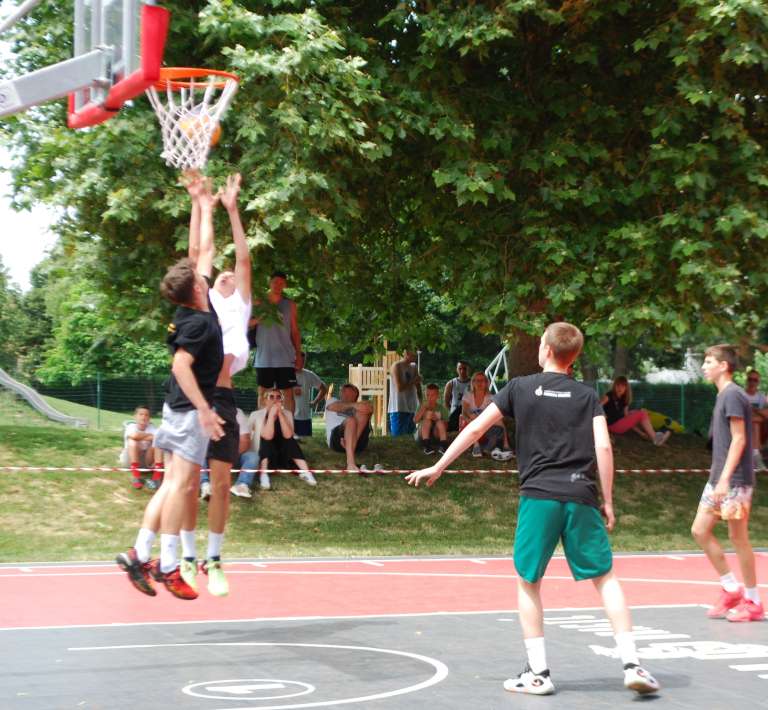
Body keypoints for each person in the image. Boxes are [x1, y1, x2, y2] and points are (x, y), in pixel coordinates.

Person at [406, 322, 660, 697]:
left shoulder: (520, 388)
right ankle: (632, 664)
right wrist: (607, 499)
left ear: (544, 349)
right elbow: (604, 449)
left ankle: (538, 673)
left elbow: (476, 430)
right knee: (605, 578)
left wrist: (438, 465)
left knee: (529, 582)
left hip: (539, 496)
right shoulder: (588, 395)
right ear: (574, 358)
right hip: (581, 494)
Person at [116, 174, 225, 601]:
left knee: (170, 485)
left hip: (176, 408)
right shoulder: (198, 321)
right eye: (203, 277)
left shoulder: (190, 305)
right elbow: (181, 366)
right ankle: (166, 565)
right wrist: (203, 407)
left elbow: (203, 249)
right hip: (187, 409)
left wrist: (202, 204)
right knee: (181, 486)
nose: (207, 275)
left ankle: (139, 552)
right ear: (197, 288)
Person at [692, 344, 763, 622]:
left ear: (723, 366)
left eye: (709, 361)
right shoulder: (724, 395)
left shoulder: (733, 395)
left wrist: (724, 480)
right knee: (699, 530)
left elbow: (740, 439)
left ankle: (753, 601)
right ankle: (731, 588)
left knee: (738, 538)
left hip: (734, 481)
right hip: (720, 478)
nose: (704, 366)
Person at [253, 271, 301, 413]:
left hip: (285, 357)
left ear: (285, 285)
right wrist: (259, 318)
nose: (278, 285)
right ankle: (262, 427)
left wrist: (298, 354)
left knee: (288, 394)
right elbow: (245, 323)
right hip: (264, 356)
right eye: (275, 282)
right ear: (270, 282)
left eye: (281, 282)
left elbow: (295, 331)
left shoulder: (290, 304)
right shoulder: (258, 302)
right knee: (262, 392)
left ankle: (289, 429)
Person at [257, 388, 317, 486]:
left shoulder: (287, 413)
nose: (275, 400)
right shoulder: (260, 414)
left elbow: (289, 435)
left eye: (278, 397)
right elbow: (267, 436)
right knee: (266, 441)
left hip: (285, 454)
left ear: (282, 400)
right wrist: (271, 415)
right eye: (271, 397)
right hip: (267, 455)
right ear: (265, 400)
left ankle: (306, 472)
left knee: (290, 440)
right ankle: (263, 475)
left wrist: (280, 414)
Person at [600, 376, 671, 446]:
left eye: (623, 386)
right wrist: (603, 414)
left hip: (619, 426)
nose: (620, 388)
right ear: (614, 386)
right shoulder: (608, 395)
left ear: (626, 388)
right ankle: (655, 438)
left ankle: (652, 436)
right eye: (618, 385)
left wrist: (641, 433)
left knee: (641, 412)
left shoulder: (624, 399)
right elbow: (597, 406)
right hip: (611, 426)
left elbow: (627, 418)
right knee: (641, 413)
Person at [461, 371, 514, 461]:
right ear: (472, 383)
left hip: (485, 424)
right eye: (476, 381)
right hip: (469, 424)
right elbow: (464, 413)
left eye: (482, 381)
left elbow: (494, 415)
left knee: (499, 424)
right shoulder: (468, 396)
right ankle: (476, 445)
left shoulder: (491, 397)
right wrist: (472, 419)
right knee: (473, 417)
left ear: (486, 383)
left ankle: (504, 445)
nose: (479, 383)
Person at [201, 408, 249, 499]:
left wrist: (230, 456)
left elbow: (245, 441)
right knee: (198, 454)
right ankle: (205, 485)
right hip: (209, 456)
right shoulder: (203, 411)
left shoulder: (238, 413)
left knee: (252, 456)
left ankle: (242, 485)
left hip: (233, 455)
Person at [326, 383, 374, 472]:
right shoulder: (333, 400)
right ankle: (351, 463)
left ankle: (351, 444)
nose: (344, 394)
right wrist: (353, 405)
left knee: (362, 414)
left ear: (355, 394)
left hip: (359, 442)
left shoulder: (360, 405)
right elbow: (332, 407)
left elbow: (370, 408)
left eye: (347, 392)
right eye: (343, 391)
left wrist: (356, 405)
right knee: (351, 420)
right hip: (338, 441)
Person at [120, 405, 163, 490]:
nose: (144, 417)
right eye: (141, 414)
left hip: (146, 461)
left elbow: (158, 438)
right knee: (132, 442)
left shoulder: (152, 427)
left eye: (146, 415)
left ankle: (156, 477)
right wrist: (149, 436)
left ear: (149, 418)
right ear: (135, 416)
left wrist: (141, 436)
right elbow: (134, 435)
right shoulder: (131, 426)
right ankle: (136, 476)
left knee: (158, 443)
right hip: (129, 461)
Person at [293, 351, 327, 438]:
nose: (301, 364)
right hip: (287, 417)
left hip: (304, 418)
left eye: (303, 361)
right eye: (298, 361)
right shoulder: (284, 374)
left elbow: (324, 388)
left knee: (306, 445)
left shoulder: (309, 375)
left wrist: (314, 402)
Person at [388, 350, 421, 435]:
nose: (415, 355)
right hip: (398, 408)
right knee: (398, 438)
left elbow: (418, 388)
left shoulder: (414, 367)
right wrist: (414, 381)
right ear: (406, 353)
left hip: (412, 408)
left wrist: (421, 403)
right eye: (413, 352)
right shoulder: (396, 366)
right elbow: (399, 388)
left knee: (410, 438)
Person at [744, 370, 768, 471]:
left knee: (756, 423)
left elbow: (766, 414)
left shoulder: (761, 397)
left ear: (758, 382)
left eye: (755, 380)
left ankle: (755, 454)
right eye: (750, 379)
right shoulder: (741, 394)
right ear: (746, 380)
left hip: (758, 427)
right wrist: (758, 414)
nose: (752, 382)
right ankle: (756, 456)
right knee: (755, 423)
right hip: (742, 426)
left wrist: (754, 410)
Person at [414, 383, 448, 455]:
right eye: (427, 395)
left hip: (436, 436)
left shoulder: (442, 408)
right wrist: (423, 410)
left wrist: (437, 419)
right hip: (421, 436)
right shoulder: (421, 406)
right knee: (427, 421)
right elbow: (415, 420)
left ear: (437, 396)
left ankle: (443, 445)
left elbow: (446, 425)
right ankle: (427, 446)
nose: (429, 398)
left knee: (439, 422)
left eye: (432, 395)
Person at [444, 361, 471, 432]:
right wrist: (452, 411)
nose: (462, 371)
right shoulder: (451, 384)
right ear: (457, 369)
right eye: (460, 368)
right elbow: (446, 402)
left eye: (464, 368)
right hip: (454, 413)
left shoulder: (473, 383)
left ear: (468, 369)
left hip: (468, 413)